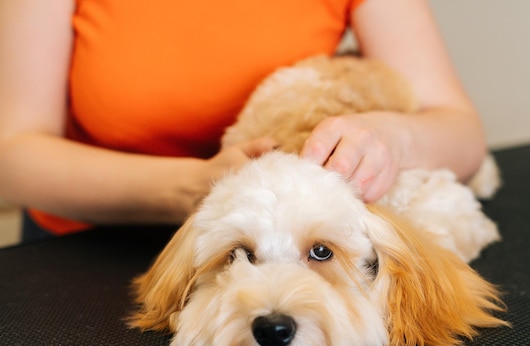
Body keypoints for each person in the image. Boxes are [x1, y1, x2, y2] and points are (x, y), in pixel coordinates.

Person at [0, 0, 486, 241]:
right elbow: (12, 156)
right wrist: (197, 187)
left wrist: (389, 138)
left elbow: (461, 132)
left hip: (278, 249)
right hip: (88, 251)